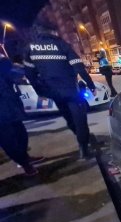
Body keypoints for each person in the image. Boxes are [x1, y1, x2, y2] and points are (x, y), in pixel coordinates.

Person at [24, 18, 96, 160]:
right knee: (80, 119)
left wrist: (41, 92)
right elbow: (79, 68)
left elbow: (30, 75)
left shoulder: (30, 49)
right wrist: (91, 85)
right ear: (53, 31)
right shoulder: (62, 45)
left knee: (69, 118)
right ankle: (84, 149)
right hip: (71, 91)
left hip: (54, 92)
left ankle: (82, 139)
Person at [0, 55, 44, 176]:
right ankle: (25, 165)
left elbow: (15, 73)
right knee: (9, 141)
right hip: (2, 115)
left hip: (10, 106)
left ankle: (25, 158)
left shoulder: (3, 63)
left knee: (21, 135)